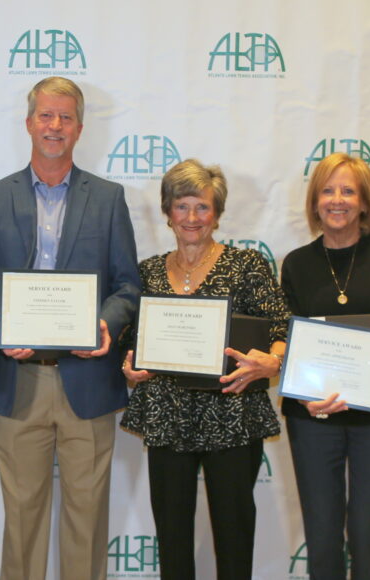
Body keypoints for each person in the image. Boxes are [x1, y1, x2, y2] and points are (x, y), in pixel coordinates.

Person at [0, 76, 141, 580]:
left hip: (87, 377)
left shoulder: (108, 199)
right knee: (22, 520)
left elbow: (127, 286)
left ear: (81, 128)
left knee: (87, 522)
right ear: (28, 123)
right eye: (45, 115)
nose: (54, 126)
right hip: (19, 380)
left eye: (65, 117)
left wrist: (106, 325)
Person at [120, 159, 289, 580]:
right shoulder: (148, 272)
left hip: (232, 415)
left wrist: (274, 359)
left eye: (202, 207)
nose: (192, 218)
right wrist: (129, 366)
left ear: (217, 213)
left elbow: (282, 328)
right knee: (172, 539)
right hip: (166, 414)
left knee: (234, 536)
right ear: (166, 212)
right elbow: (132, 341)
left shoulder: (247, 265)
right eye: (182, 207)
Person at [280, 152, 370, 580]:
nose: (337, 200)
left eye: (348, 190)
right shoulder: (296, 263)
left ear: (365, 202)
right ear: (314, 202)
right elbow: (289, 342)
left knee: (367, 534)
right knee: (323, 538)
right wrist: (304, 394)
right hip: (314, 418)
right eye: (327, 190)